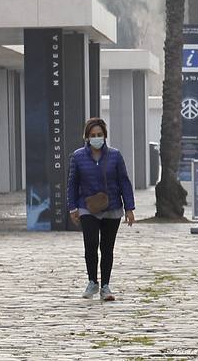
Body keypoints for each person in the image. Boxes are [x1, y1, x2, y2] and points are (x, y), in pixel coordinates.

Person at [67, 117, 136, 301]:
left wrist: (129, 208)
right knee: (90, 245)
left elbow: (124, 181)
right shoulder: (78, 156)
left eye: (99, 135)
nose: (96, 138)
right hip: (87, 206)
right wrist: (72, 207)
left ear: (105, 136)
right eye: (92, 135)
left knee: (107, 248)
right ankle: (92, 281)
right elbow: (72, 183)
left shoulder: (115, 156)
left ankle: (105, 285)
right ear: (87, 137)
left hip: (112, 207)